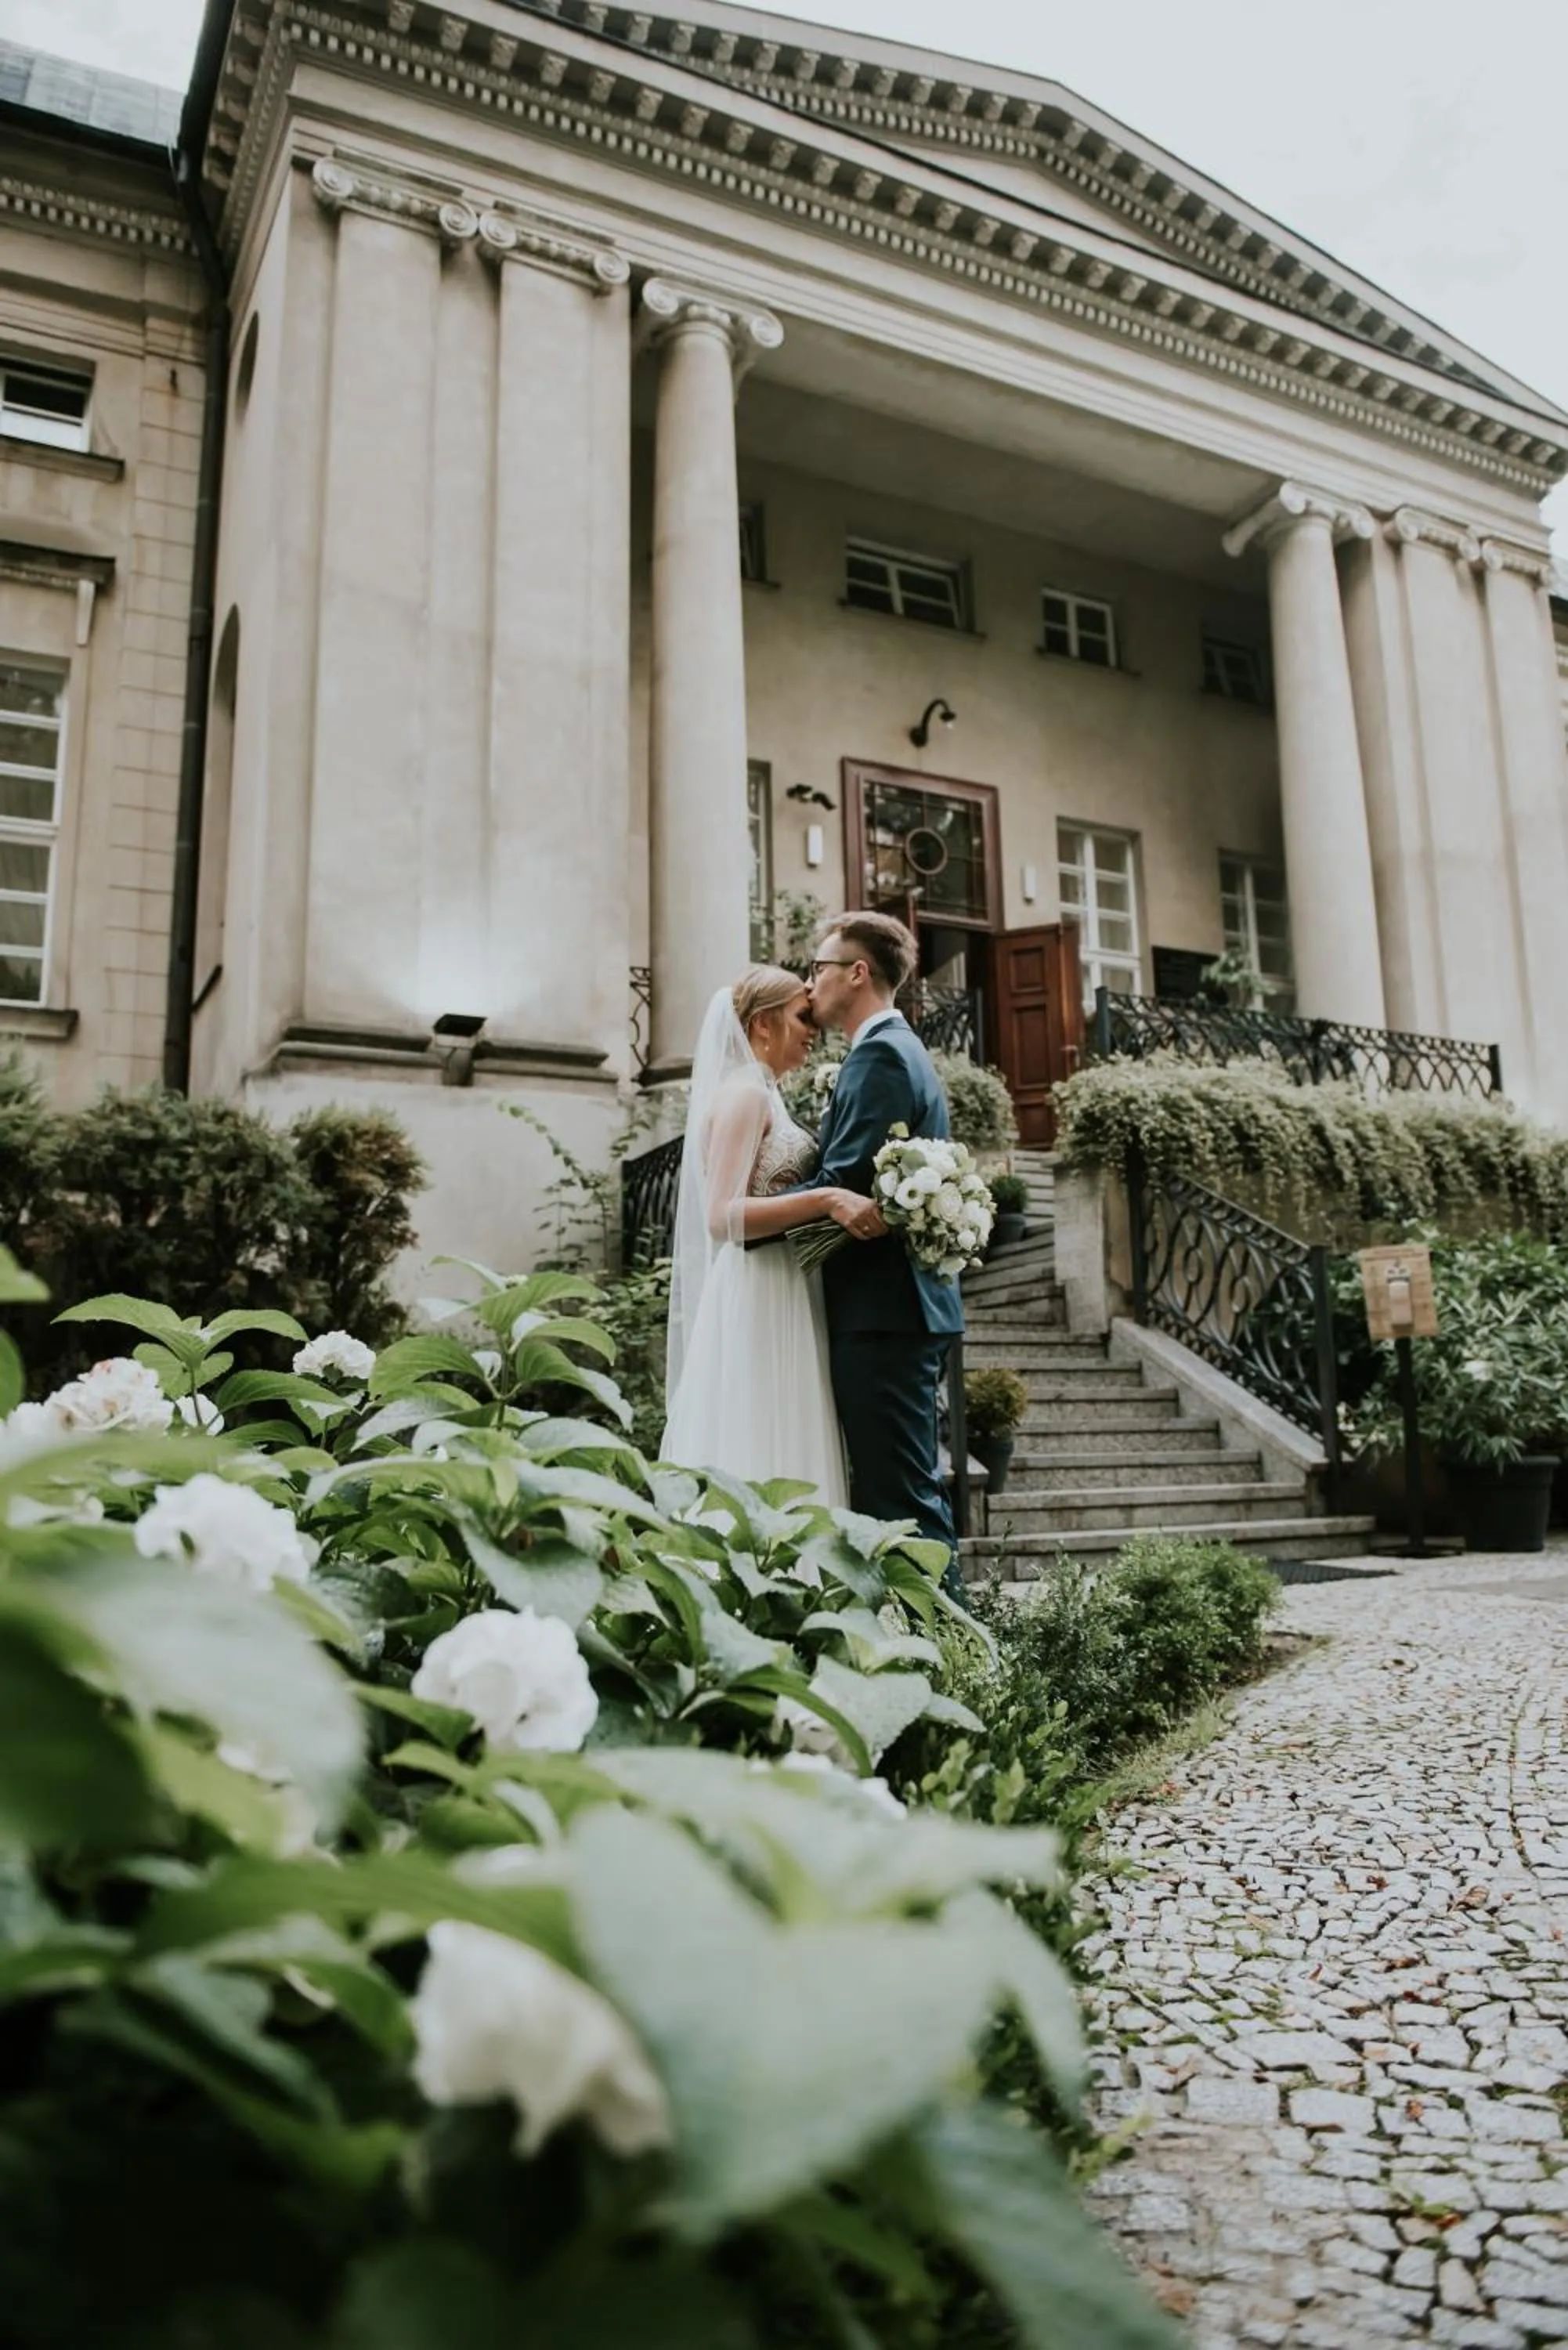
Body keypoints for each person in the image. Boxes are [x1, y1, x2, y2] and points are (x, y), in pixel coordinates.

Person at [660, 964, 882, 1498]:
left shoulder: (766, 1095)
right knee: (759, 1432)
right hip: (758, 1289)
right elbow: (723, 1217)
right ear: (763, 1025)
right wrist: (827, 1199)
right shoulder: (745, 1097)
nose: (814, 1030)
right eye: (802, 1017)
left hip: (786, 1285)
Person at [803, 911, 965, 1584]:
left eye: (818, 969)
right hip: (893, 1309)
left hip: (883, 1311)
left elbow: (844, 1182)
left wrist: (750, 1228)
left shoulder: (881, 1055)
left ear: (857, 973)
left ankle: (953, 1667)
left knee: (899, 1504)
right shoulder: (893, 1050)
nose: (809, 984)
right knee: (898, 1493)